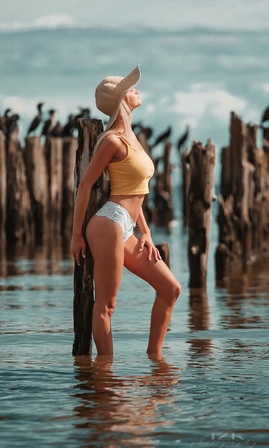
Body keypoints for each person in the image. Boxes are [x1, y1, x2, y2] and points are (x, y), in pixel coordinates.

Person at [71, 65, 181, 359]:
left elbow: (137, 191)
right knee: (106, 305)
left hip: (128, 226)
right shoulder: (111, 141)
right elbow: (85, 186)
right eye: (132, 89)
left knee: (170, 289)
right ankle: (105, 372)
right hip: (108, 224)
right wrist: (76, 236)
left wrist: (145, 232)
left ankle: (155, 359)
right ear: (122, 99)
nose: (137, 91)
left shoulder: (132, 137)